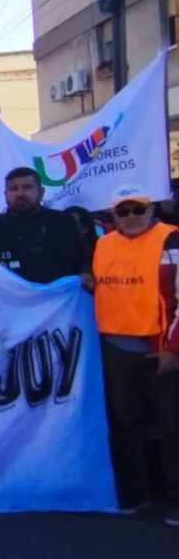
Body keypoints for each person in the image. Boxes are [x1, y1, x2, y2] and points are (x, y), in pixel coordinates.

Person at [91, 186, 179, 524]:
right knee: (126, 424)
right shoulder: (103, 243)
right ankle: (136, 491)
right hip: (117, 346)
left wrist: (173, 347)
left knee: (173, 425)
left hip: (160, 347)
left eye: (137, 210)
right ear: (113, 215)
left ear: (151, 209)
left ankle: (175, 498)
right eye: (123, 211)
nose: (130, 217)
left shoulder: (171, 239)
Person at [0, 166, 86, 283]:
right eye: (14, 188)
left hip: (63, 298)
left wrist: (85, 273)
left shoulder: (64, 222)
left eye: (27, 187)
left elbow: (85, 260)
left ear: (41, 192)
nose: (20, 193)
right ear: (6, 194)